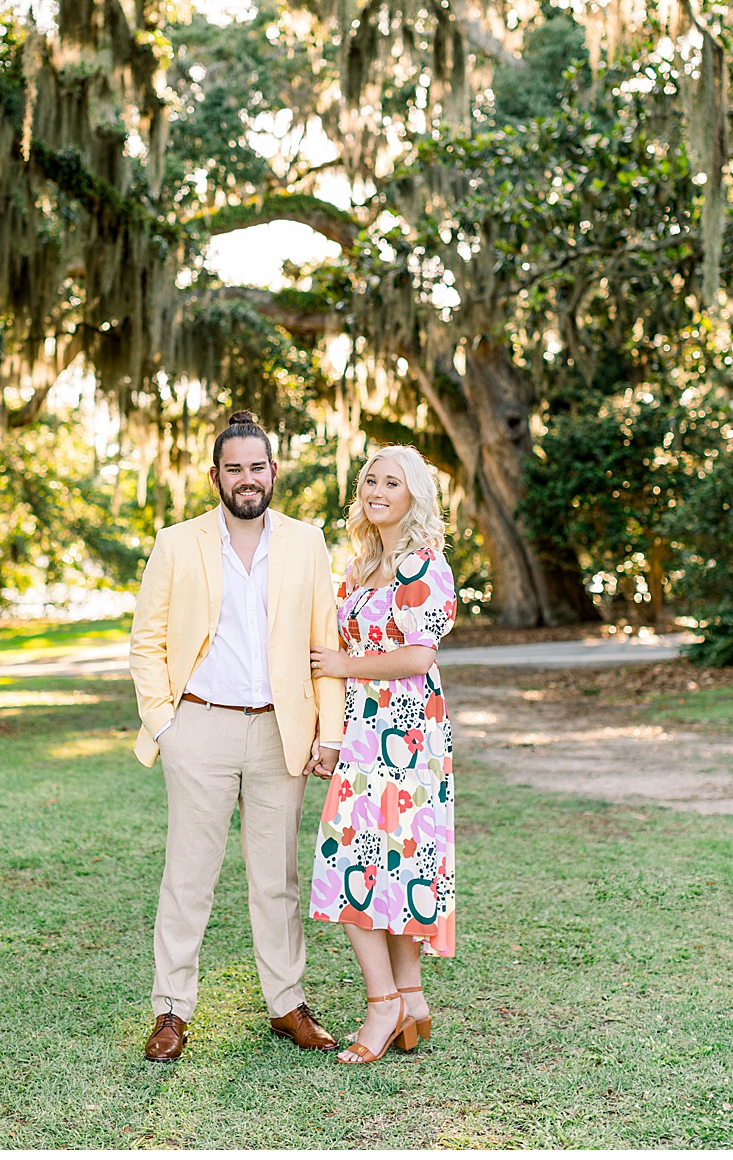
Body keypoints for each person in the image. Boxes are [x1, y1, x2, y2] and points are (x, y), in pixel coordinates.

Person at [130, 410, 348, 1063]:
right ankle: (171, 1012)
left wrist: (329, 732)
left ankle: (287, 1005)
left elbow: (324, 646)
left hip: (281, 732)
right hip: (199, 725)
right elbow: (146, 643)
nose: (247, 479)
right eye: (235, 469)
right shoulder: (177, 542)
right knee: (188, 875)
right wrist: (167, 726)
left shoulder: (307, 544)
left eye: (257, 467)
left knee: (276, 878)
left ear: (272, 471)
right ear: (217, 475)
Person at [307, 443, 458, 1065]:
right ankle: (411, 999)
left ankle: (382, 1003)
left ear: (412, 496)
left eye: (391, 483)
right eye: (370, 480)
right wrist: (330, 731)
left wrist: (346, 664)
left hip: (407, 734)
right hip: (365, 732)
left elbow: (420, 657)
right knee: (383, 867)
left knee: (363, 863)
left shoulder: (423, 566)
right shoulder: (361, 565)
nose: (376, 491)